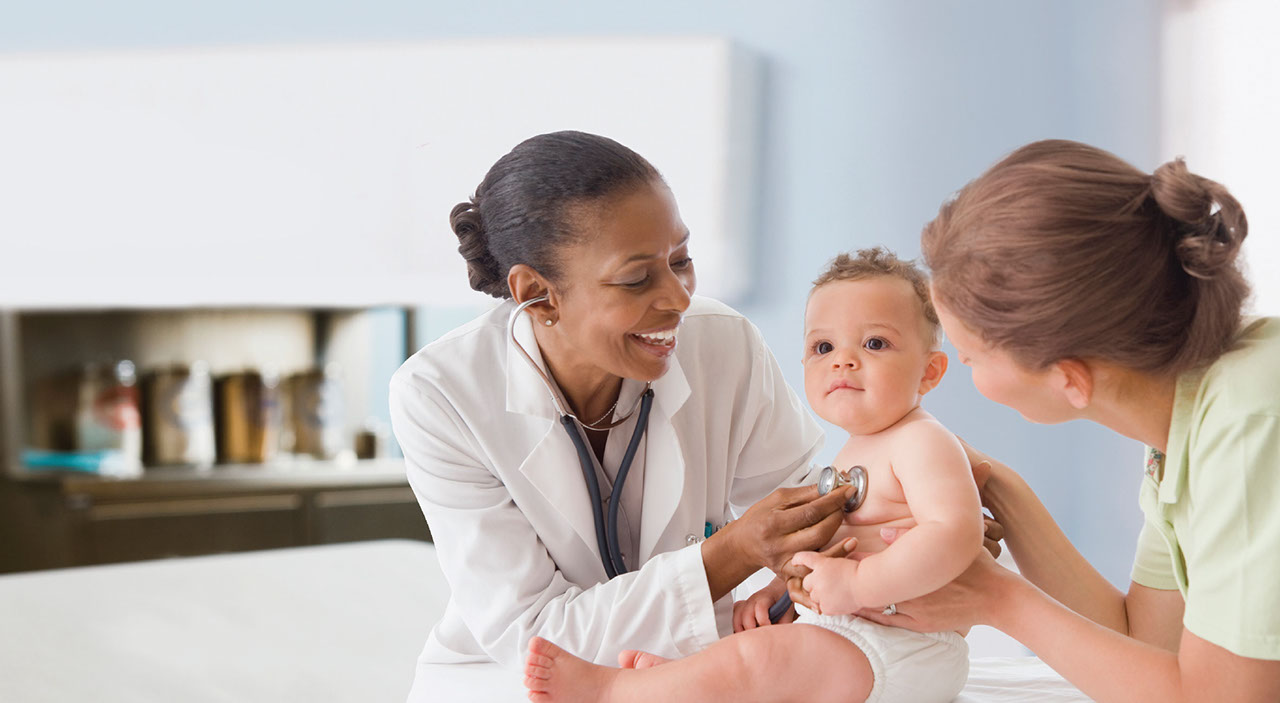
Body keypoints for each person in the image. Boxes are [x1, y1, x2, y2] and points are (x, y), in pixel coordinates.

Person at [388, 131, 855, 693]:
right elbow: (537, 640)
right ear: (538, 292)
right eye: (637, 278)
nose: (679, 298)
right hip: (515, 684)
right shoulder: (441, 394)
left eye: (681, 260)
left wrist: (903, 510)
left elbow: (808, 519)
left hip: (686, 674)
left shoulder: (722, 343)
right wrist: (728, 555)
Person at [850, 140, 1280, 702]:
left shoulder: (1252, 421)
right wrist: (988, 485)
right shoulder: (1184, 427)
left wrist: (996, 598)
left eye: (973, 357)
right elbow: (1146, 641)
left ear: (1068, 377)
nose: (961, 370)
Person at [522, 248, 984, 703]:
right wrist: (780, 590)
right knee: (752, 655)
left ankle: (616, 691)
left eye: (875, 343)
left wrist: (858, 587)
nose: (843, 360)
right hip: (853, 635)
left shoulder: (923, 442)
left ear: (930, 371)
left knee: (760, 662)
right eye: (823, 347)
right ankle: (689, 685)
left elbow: (957, 534)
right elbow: (835, 546)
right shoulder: (859, 449)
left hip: (907, 647)